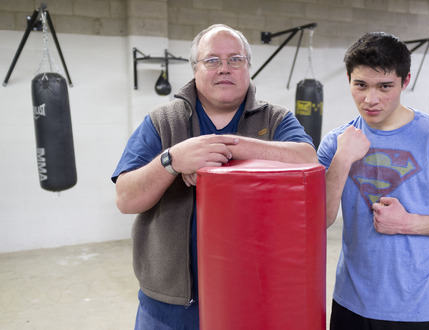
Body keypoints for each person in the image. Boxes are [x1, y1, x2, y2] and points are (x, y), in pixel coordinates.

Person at [111, 24, 317, 329]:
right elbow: (126, 199)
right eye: (212, 60)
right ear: (195, 69)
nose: (225, 69)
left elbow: (307, 159)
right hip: (171, 306)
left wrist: (228, 150)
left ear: (248, 67)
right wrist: (173, 160)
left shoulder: (276, 120)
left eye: (235, 60)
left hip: (252, 295)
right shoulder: (162, 122)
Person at [317, 32, 429, 330]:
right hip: (350, 304)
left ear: (405, 80)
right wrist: (342, 160)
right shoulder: (337, 141)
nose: (370, 99)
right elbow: (319, 219)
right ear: (348, 78)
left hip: (421, 311)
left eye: (384, 86)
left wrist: (408, 223)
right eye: (360, 85)